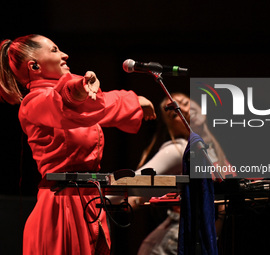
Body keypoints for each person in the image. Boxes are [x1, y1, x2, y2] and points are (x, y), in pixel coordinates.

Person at [0, 34, 156, 255]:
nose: (64, 54)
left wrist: (132, 102)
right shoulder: (33, 102)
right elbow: (67, 105)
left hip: (89, 201)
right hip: (61, 205)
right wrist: (81, 90)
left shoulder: (72, 100)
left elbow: (96, 108)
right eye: (54, 50)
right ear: (34, 66)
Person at [133, 93, 234, 255]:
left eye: (186, 102)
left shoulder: (214, 150)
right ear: (171, 126)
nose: (183, 109)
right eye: (174, 113)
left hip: (206, 237)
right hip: (183, 237)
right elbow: (135, 181)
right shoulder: (180, 150)